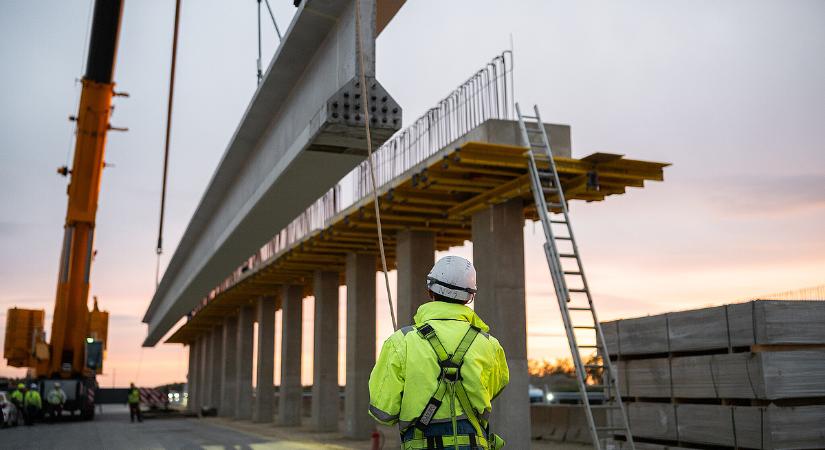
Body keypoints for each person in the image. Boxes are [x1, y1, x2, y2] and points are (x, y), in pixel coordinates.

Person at [369, 256, 509, 450]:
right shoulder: (489, 345)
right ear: (470, 297)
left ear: (430, 290)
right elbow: (494, 387)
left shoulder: (401, 342)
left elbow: (383, 412)